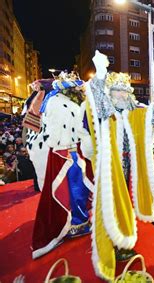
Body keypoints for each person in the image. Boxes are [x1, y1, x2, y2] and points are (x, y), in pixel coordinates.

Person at [85, 50, 154, 281]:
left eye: (125, 91)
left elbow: (152, 118)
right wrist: (101, 73)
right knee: (110, 203)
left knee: (126, 205)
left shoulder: (135, 114)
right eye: (118, 91)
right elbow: (97, 102)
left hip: (129, 167)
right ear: (111, 93)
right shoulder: (107, 112)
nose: (122, 94)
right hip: (110, 167)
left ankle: (123, 241)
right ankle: (112, 242)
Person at [31, 71, 94, 259]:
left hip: (73, 151)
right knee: (74, 189)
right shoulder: (56, 102)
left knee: (78, 188)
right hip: (68, 152)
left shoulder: (57, 100)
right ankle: (76, 222)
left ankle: (79, 220)